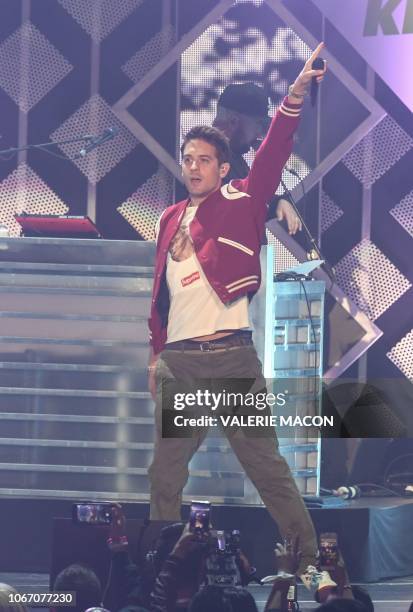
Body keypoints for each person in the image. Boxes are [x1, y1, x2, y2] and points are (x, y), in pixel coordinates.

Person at [147, 43, 327, 581]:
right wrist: (154, 354)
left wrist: (293, 96)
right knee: (165, 476)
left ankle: (312, 561)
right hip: (180, 364)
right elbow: (160, 295)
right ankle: (165, 567)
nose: (194, 167)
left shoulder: (241, 201)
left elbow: (271, 152)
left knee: (267, 471)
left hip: (229, 362)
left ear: (223, 167)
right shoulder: (169, 216)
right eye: (188, 159)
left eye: (205, 160)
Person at [213, 81, 302, 236]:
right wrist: (274, 203)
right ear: (234, 121)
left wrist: (276, 201)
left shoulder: (233, 158)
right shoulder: (209, 156)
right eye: (258, 124)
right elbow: (237, 199)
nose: (260, 133)